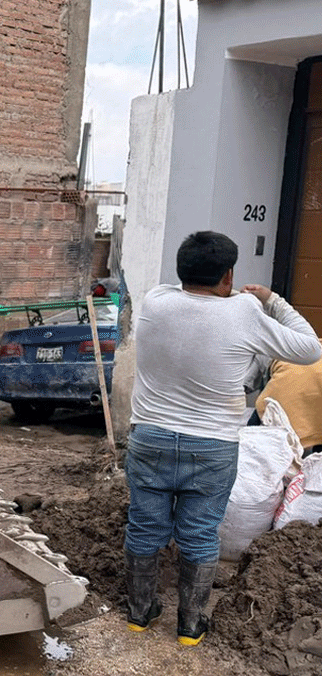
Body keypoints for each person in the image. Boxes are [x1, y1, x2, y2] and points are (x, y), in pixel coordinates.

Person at [126, 231, 321, 646]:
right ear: (228, 276)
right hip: (211, 447)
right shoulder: (246, 312)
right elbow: (309, 348)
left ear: (182, 269)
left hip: (150, 438)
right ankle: (190, 626)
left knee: (144, 528)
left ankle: (139, 614)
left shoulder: (155, 302)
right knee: (199, 534)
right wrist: (272, 300)